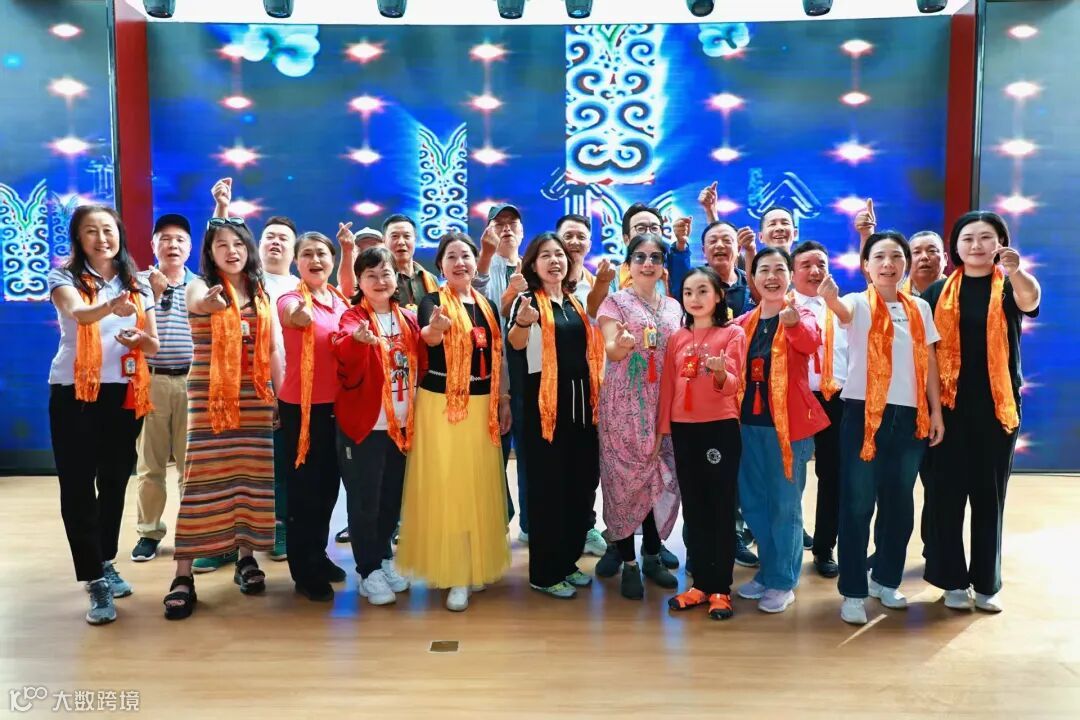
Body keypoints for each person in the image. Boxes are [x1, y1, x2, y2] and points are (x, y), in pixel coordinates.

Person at [818, 231, 945, 626]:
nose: (888, 264)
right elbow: (841, 313)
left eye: (896, 257)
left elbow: (930, 360)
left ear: (905, 264)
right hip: (863, 414)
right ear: (867, 266)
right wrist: (830, 299)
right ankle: (853, 590)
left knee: (899, 503)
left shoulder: (920, 307)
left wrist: (936, 412)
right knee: (857, 504)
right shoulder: (858, 302)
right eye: (880, 257)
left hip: (910, 417)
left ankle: (886, 580)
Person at [163, 218, 283, 620]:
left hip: (255, 395)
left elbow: (273, 347)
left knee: (250, 477)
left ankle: (246, 558)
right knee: (202, 480)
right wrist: (212, 305)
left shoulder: (261, 290)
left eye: (238, 244)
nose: (232, 251)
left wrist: (277, 396)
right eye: (222, 245)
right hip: (211, 395)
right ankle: (183, 576)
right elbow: (199, 302)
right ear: (210, 254)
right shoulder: (199, 285)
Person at [922, 212, 1041, 613]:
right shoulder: (937, 292)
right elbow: (927, 356)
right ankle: (952, 581)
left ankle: (987, 583)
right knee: (946, 496)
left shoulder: (1008, 285)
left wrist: (1016, 271)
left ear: (1000, 243)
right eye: (968, 238)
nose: (976, 245)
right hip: (948, 410)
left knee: (989, 497)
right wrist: (934, 411)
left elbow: (1031, 300)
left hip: (996, 408)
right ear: (956, 247)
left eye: (986, 237)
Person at [48, 205, 159, 625]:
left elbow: (153, 345)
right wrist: (112, 306)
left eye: (108, 230)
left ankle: (105, 559)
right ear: (79, 238)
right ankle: (93, 578)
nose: (101, 238)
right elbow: (79, 314)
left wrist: (139, 338)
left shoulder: (138, 282)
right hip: (74, 391)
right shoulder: (64, 277)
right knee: (78, 484)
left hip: (124, 393)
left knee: (114, 481)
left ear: (120, 234)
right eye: (91, 231)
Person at [395, 232, 512, 612]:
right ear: (441, 266)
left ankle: (473, 563)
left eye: (466, 256)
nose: (460, 263)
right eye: (451, 257)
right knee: (448, 485)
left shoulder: (487, 305)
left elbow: (497, 356)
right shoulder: (432, 301)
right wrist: (437, 329)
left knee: (476, 484)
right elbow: (427, 338)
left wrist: (504, 400)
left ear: (476, 262)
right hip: (442, 405)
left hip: (482, 406)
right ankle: (455, 571)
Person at [507, 233, 604, 599]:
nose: (554, 261)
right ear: (533, 264)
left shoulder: (574, 302)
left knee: (579, 488)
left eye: (559, 255)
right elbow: (516, 344)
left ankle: (566, 561)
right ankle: (545, 573)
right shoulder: (528, 302)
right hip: (545, 413)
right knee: (549, 492)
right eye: (545, 255)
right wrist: (522, 323)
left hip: (581, 410)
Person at [733, 247, 828, 614]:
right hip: (748, 426)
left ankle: (784, 580)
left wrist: (792, 323)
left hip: (789, 427)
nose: (771, 277)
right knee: (753, 502)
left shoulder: (803, 314)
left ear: (789, 276)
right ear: (753, 277)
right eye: (764, 270)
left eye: (779, 270)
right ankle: (768, 570)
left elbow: (810, 343)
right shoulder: (743, 323)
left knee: (784, 505)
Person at [211, 177, 297, 566]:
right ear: (256, 246)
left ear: (293, 250)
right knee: (232, 465)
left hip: (282, 384)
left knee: (278, 462)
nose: (275, 242)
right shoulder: (242, 282)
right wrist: (222, 208)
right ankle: (226, 541)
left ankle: (279, 526)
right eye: (269, 237)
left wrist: (281, 390)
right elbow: (217, 244)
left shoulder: (301, 285)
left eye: (283, 239)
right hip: (231, 385)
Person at [333, 246, 425, 606]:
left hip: (401, 426)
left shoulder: (408, 318)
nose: (379, 280)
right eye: (370, 275)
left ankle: (384, 557)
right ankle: (367, 570)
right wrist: (358, 342)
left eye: (385, 273)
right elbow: (342, 346)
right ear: (359, 281)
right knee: (364, 501)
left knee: (390, 498)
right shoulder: (353, 317)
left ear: (396, 278)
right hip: (365, 425)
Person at [593, 233, 682, 599]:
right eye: (640, 257)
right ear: (628, 264)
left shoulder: (674, 307)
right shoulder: (614, 303)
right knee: (624, 484)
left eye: (655, 257)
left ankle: (652, 556)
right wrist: (621, 344)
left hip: (664, 404)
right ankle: (628, 561)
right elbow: (612, 350)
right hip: (624, 405)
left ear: (663, 266)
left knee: (657, 481)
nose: (648, 263)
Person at [658, 267, 746, 620]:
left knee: (719, 508)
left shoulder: (732, 333)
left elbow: (734, 384)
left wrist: (720, 372)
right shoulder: (677, 338)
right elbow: (668, 386)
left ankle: (721, 588)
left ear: (719, 295)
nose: (694, 298)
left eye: (702, 291)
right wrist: (663, 428)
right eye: (688, 292)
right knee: (693, 508)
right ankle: (700, 585)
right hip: (684, 430)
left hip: (719, 428)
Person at [277, 232, 350, 601]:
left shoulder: (338, 299)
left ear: (332, 260)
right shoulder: (291, 297)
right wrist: (300, 316)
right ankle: (304, 571)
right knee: (304, 492)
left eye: (322, 253)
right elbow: (291, 315)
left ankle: (318, 555)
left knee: (327, 488)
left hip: (337, 407)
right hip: (302, 409)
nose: (315, 260)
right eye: (307, 254)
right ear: (297, 262)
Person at [130, 213, 195, 562]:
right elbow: (127, 329)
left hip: (192, 381)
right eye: (165, 239)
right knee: (150, 464)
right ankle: (149, 532)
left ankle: (193, 531)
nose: (173, 245)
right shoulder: (137, 284)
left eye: (180, 239)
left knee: (191, 465)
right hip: (151, 379)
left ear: (190, 247)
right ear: (153, 245)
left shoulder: (200, 286)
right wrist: (155, 294)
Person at [790, 241, 848, 578]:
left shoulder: (842, 307)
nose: (814, 271)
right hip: (796, 398)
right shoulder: (783, 306)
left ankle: (825, 548)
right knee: (790, 476)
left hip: (835, 399)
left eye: (821, 265)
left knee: (832, 475)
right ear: (793, 272)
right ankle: (788, 546)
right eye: (806, 265)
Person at [555, 213, 610, 558]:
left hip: (591, 389)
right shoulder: (542, 284)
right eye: (568, 236)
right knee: (557, 464)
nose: (575, 242)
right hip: (552, 390)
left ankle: (586, 525)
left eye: (581, 237)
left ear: (590, 244)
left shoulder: (598, 283)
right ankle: (556, 529)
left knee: (588, 465)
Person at [474, 204, 528, 541]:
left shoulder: (532, 267)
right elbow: (474, 303)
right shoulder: (482, 267)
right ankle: (498, 519)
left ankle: (531, 525)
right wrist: (484, 254)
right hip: (493, 378)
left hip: (532, 377)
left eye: (512, 223)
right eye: (499, 223)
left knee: (531, 456)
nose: (506, 229)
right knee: (494, 454)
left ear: (522, 231)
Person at [384, 214, 439, 311]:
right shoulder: (380, 280)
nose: (401, 242)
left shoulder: (431, 279)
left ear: (415, 239)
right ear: (384, 240)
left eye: (407, 236)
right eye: (394, 236)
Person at [334, 222, 383, 299]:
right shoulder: (346, 282)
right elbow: (348, 293)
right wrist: (346, 250)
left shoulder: (396, 278)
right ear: (353, 254)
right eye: (360, 249)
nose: (367, 254)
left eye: (373, 247)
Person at [904, 231, 947, 297]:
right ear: (907, 262)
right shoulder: (894, 295)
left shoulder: (958, 290)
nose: (924, 257)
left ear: (945, 259)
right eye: (917, 252)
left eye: (932, 251)